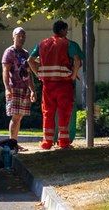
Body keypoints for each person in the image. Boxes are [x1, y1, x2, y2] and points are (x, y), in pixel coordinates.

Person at [28, 20, 82, 150]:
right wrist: (74, 75)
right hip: (64, 84)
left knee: (48, 112)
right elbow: (77, 59)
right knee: (64, 112)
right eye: (66, 30)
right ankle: (63, 141)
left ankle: (47, 142)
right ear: (63, 30)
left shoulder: (42, 44)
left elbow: (30, 60)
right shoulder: (68, 44)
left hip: (48, 85)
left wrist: (38, 73)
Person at [2, 27, 36, 146]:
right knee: (15, 117)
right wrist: (7, 88)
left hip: (25, 89)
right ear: (13, 37)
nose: (21, 38)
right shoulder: (9, 52)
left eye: (23, 36)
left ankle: (14, 142)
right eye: (19, 35)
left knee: (19, 117)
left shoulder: (25, 53)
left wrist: (32, 90)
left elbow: (29, 72)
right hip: (14, 88)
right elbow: (5, 71)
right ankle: (12, 143)